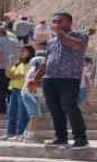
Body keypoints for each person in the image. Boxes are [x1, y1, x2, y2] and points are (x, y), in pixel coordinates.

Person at [29, 12, 89, 149]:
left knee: (69, 106)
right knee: (55, 109)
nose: (56, 24)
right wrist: (36, 78)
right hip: (50, 79)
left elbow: (74, 45)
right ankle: (61, 138)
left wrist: (60, 33)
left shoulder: (80, 36)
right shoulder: (51, 42)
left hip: (69, 78)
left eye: (60, 21)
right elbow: (46, 61)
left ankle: (81, 138)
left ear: (69, 23)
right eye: (54, 21)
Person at [0, 45, 35, 141]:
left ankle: (20, 133)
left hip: (23, 90)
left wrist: (15, 75)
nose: (21, 52)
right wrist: (10, 63)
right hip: (14, 90)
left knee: (22, 113)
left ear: (29, 53)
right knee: (12, 113)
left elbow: (22, 75)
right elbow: (8, 74)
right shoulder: (18, 64)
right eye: (20, 51)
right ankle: (10, 133)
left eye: (24, 51)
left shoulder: (30, 64)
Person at [0, 26, 17, 114]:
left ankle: (1, 110)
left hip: (1, 68)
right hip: (12, 68)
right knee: (11, 90)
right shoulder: (14, 41)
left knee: (0, 90)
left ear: (0, 32)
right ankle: (13, 109)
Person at [21, 56, 46, 143]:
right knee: (34, 117)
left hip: (29, 95)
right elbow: (31, 85)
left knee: (34, 116)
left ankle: (26, 135)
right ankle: (30, 137)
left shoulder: (32, 70)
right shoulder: (36, 71)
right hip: (30, 95)